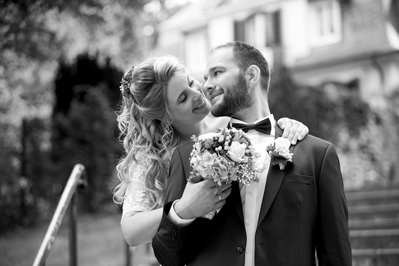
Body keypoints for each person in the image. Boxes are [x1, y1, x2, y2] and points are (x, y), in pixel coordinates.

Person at [152, 41, 352, 266]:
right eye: (206, 77)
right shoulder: (189, 156)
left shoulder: (318, 155)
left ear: (251, 75)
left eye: (217, 73)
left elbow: (336, 254)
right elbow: (167, 257)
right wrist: (184, 211)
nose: (206, 85)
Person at [113, 55, 309, 247]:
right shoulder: (154, 158)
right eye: (183, 98)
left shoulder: (232, 121)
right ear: (165, 118)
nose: (197, 94)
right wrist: (183, 208)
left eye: (190, 82)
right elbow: (131, 232)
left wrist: (288, 129)